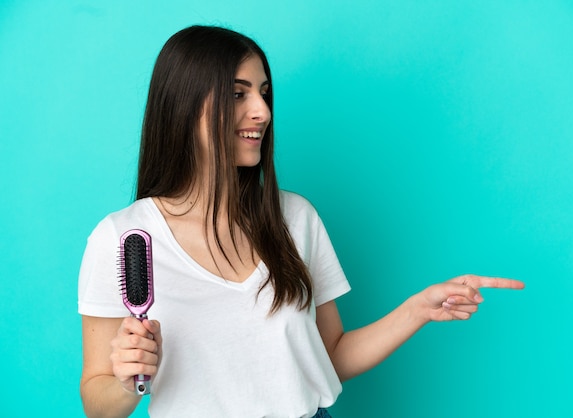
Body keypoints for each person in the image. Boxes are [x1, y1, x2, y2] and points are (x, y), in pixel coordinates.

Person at [78, 25, 524, 418]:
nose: (263, 112)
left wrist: (417, 310)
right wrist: (123, 381)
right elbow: (97, 404)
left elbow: (329, 355)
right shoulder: (123, 238)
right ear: (183, 105)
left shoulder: (296, 218)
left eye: (264, 93)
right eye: (239, 94)